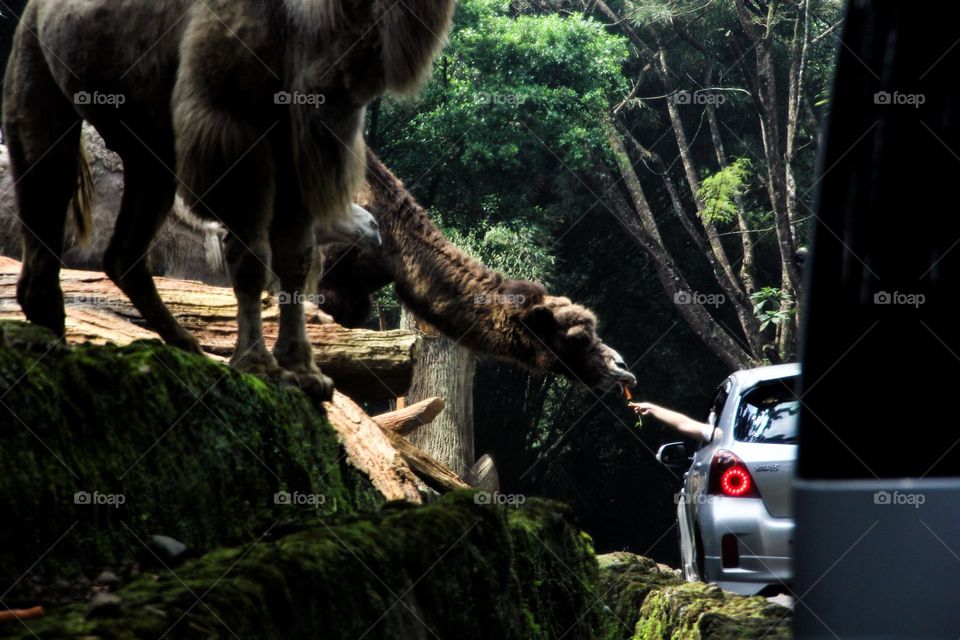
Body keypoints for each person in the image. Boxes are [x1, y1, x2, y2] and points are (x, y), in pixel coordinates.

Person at [628, 402, 720, 444]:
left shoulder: (721, 436)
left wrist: (651, 408)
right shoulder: (723, 435)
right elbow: (685, 424)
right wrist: (651, 408)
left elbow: (685, 424)